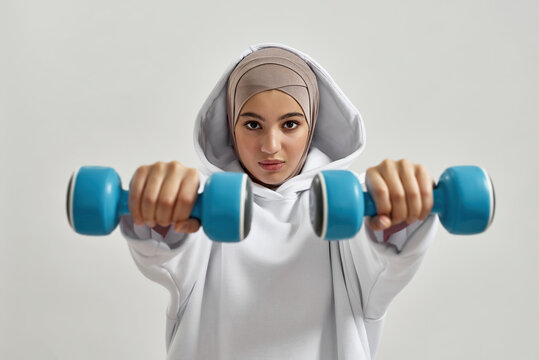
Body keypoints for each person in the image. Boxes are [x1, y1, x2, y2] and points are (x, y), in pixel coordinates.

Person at [120, 43, 438, 359]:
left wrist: (402, 210)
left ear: (311, 126)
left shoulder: (353, 201)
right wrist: (157, 205)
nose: (271, 146)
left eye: (290, 124)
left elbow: (388, 261)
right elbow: (161, 253)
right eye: (253, 125)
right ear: (231, 129)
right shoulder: (200, 203)